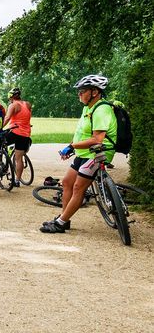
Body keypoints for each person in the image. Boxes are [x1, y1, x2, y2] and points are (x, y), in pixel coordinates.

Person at [40, 74, 116, 233]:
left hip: (98, 154)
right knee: (67, 182)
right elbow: (83, 134)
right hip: (85, 153)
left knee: (78, 187)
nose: (79, 94)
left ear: (94, 92)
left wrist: (72, 146)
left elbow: (97, 139)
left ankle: (60, 223)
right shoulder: (87, 108)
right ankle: (64, 217)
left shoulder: (102, 109)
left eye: (82, 91)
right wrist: (74, 148)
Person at [3, 87, 32, 187]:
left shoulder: (13, 105)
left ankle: (2, 164)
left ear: (11, 96)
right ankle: (17, 181)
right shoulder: (27, 104)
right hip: (26, 134)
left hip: (15, 132)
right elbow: (26, 118)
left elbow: (7, 118)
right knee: (18, 158)